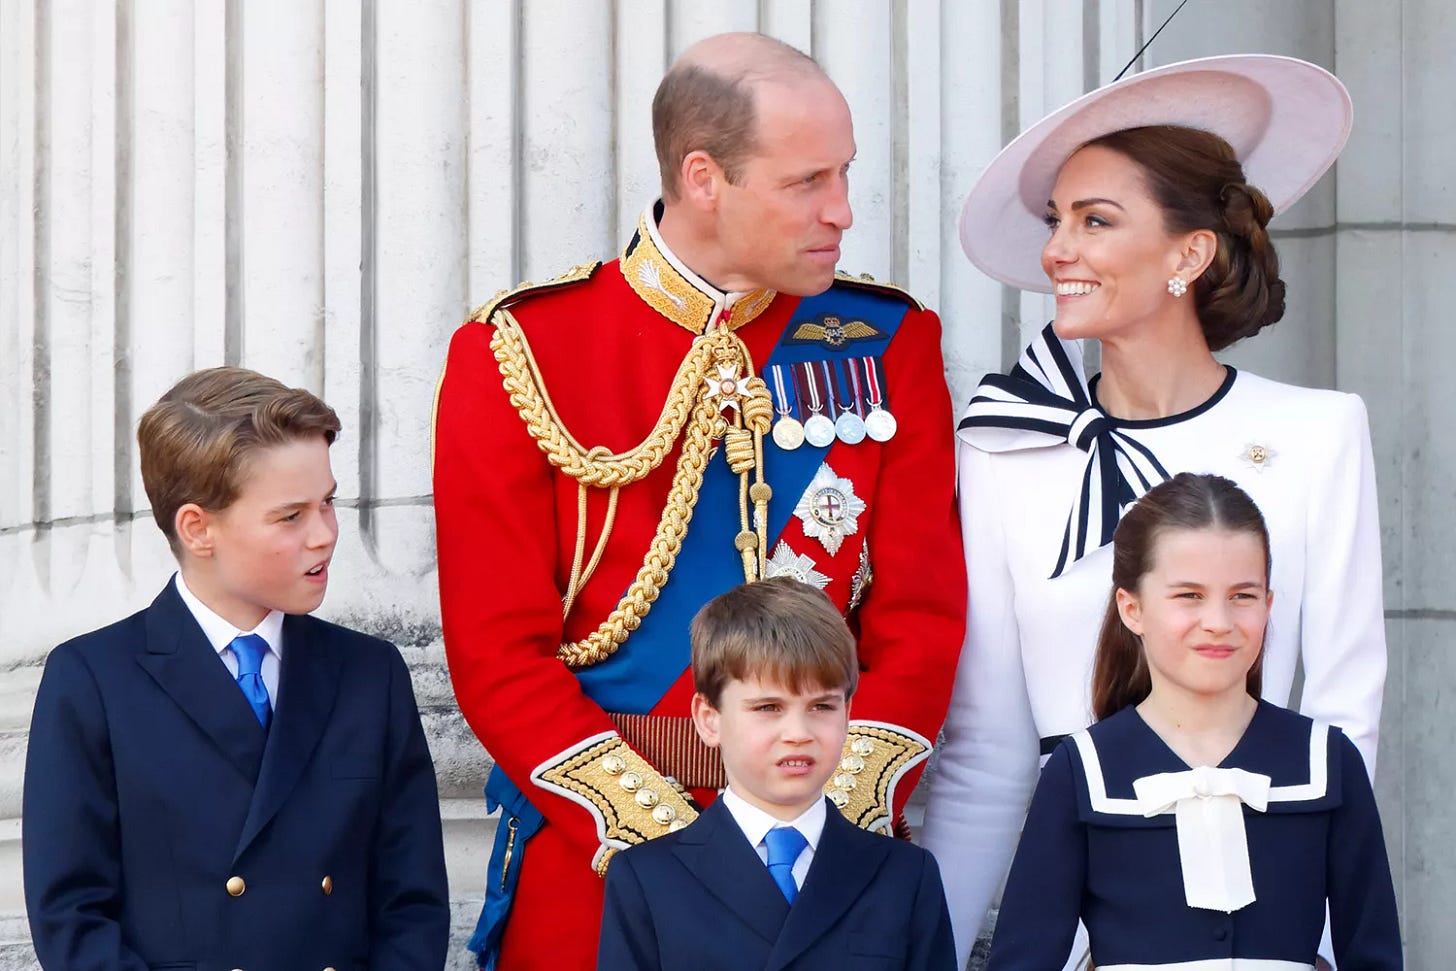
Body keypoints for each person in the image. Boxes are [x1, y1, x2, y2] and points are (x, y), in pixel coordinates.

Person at [433, 30, 965, 971]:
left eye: (844, 174)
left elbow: (921, 619)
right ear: (704, 177)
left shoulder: (887, 341)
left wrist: (809, 821)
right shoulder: (520, 351)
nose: (843, 209)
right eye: (808, 181)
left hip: (822, 852)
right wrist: (671, 845)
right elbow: (496, 653)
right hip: (597, 861)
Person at [920, 55, 1386, 969]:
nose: (1058, 249)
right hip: (1080, 919)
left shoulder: (1318, 432)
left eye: (1096, 220)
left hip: (1263, 909)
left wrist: (1311, 944)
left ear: (1189, 253)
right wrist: (924, 947)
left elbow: (1345, 726)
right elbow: (986, 754)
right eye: (1057, 221)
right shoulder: (1002, 446)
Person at [23, 367, 449, 971]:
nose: (325, 535)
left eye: (329, 503)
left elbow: (413, 903)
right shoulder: (92, 680)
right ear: (198, 528)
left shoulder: (369, 673)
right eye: (290, 516)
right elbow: (72, 916)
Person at [986, 473, 1401, 969]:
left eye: (1243, 596)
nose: (1220, 622)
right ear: (1132, 608)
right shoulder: (1083, 770)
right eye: (1189, 596)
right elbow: (1022, 959)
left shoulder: (1328, 762)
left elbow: (1374, 954)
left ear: (1269, 605)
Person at [597, 577, 956, 970]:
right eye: (768, 708)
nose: (799, 734)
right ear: (709, 719)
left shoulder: (905, 876)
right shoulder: (648, 877)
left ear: (849, 713)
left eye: (822, 707)